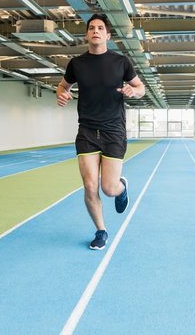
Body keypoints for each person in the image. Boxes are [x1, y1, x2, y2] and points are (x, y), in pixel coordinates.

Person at [56, 14, 145, 250]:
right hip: (86, 130)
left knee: (108, 188)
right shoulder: (77, 64)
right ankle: (101, 231)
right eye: (91, 28)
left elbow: (141, 88)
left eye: (100, 28)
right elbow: (63, 85)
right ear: (86, 34)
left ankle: (121, 188)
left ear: (107, 35)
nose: (96, 30)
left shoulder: (121, 62)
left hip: (113, 130)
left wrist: (133, 91)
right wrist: (61, 94)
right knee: (89, 185)